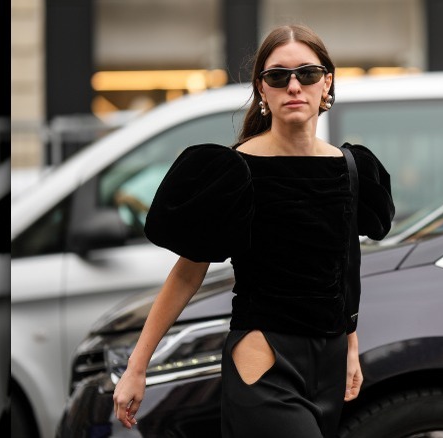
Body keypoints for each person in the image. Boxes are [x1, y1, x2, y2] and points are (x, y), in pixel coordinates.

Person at [112, 24, 394, 437]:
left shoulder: (349, 168)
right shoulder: (236, 171)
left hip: (329, 364)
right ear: (262, 89)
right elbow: (188, 273)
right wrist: (137, 369)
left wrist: (351, 347)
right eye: (278, 76)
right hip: (265, 360)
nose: (293, 86)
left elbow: (344, 270)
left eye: (307, 74)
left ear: (327, 83)